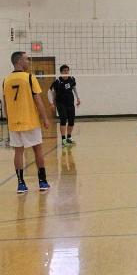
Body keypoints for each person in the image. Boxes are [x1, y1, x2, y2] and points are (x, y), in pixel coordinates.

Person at [2, 51, 51, 193]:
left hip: (13, 123)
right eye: (26, 59)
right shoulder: (29, 77)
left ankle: (21, 184)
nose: (28, 61)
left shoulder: (6, 80)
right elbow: (38, 100)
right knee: (38, 150)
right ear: (19, 61)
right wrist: (45, 118)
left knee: (18, 152)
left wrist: (8, 119)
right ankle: (42, 182)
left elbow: (5, 103)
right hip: (30, 121)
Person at [48, 64, 80, 146]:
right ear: (61, 72)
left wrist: (78, 98)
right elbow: (49, 92)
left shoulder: (71, 79)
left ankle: (69, 138)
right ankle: (63, 139)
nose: (66, 72)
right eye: (64, 71)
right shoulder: (57, 81)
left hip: (70, 103)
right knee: (63, 120)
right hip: (61, 103)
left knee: (71, 121)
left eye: (67, 70)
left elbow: (74, 88)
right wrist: (51, 103)